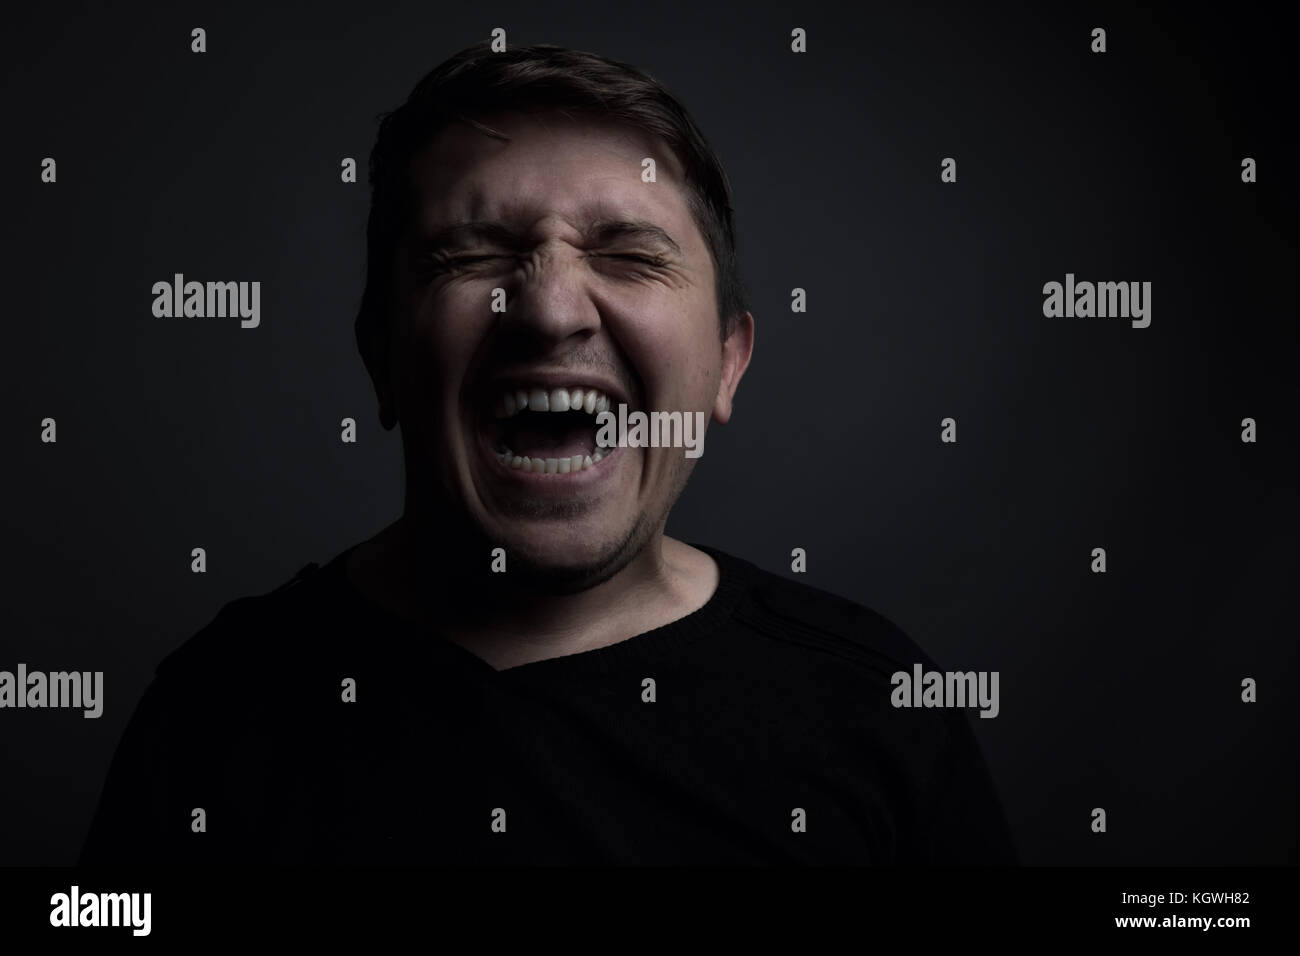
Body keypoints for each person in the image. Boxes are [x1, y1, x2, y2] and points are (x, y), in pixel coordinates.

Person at [80, 42, 1016, 865]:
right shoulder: (215, 711)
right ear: (382, 358)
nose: (548, 308)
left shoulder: (876, 708)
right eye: (469, 256)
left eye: (629, 256)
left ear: (727, 364)